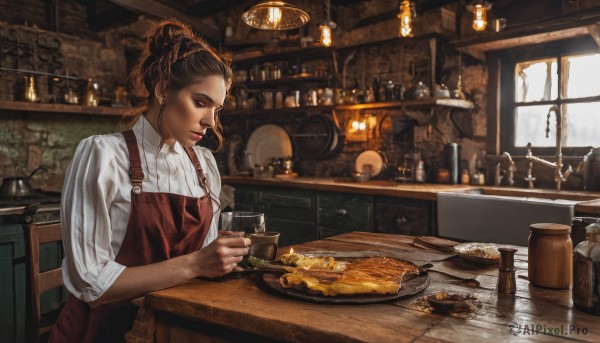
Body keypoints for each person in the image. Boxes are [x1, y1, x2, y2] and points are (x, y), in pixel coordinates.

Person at [49, 19, 250, 342]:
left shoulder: (204, 163)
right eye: (200, 102)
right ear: (162, 91)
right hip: (106, 330)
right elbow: (93, 285)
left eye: (217, 109)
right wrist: (197, 263)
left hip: (177, 325)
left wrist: (222, 260)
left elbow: (203, 263)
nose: (210, 122)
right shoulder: (102, 155)